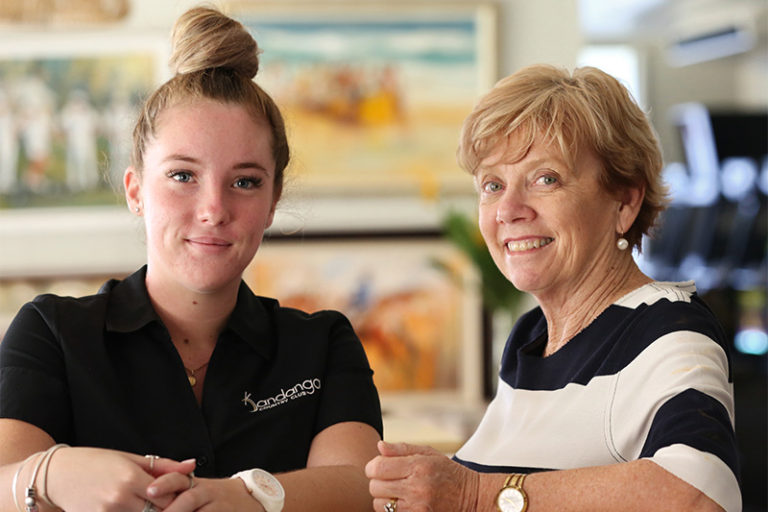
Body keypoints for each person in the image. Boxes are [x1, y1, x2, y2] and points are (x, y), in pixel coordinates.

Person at [0, 6, 382, 512]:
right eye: (183, 176)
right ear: (135, 190)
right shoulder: (51, 332)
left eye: (244, 182)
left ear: (272, 201)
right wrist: (50, 474)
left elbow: (361, 491)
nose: (213, 210)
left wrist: (248, 496)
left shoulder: (322, 343)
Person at [366, 64, 740, 512]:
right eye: (492, 184)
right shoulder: (532, 338)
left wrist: (474, 495)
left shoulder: (669, 333)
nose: (508, 209)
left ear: (625, 201)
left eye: (546, 178)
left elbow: (698, 495)